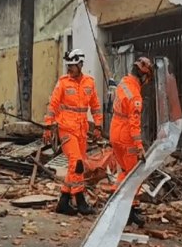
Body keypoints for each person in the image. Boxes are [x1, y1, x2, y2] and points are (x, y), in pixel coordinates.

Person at [43, 49, 103, 216]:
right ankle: (80, 200)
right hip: (66, 128)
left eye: (72, 65)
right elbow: (53, 105)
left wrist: (98, 126)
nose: (69, 68)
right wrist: (48, 126)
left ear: (80, 64)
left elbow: (96, 106)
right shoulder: (63, 83)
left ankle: (63, 201)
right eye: (68, 65)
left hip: (82, 130)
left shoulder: (90, 83)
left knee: (76, 166)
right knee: (76, 163)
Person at [109, 56, 154, 228]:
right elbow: (134, 124)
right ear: (143, 76)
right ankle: (126, 209)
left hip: (115, 130)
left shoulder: (123, 83)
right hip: (126, 136)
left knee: (125, 173)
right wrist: (139, 147)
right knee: (134, 175)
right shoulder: (135, 95)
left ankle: (124, 206)